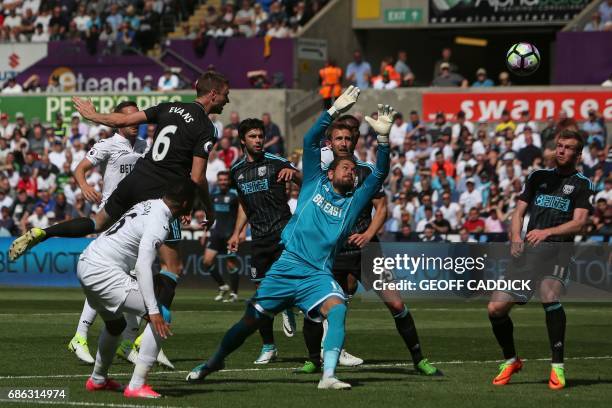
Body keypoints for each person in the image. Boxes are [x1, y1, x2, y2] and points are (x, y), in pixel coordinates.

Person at [186, 86, 390, 390]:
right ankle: (214, 361)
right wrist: (333, 110)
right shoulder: (312, 183)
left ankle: (329, 375)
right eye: (344, 167)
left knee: (338, 309)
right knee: (248, 322)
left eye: (352, 170)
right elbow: (309, 140)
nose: (350, 171)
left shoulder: (355, 202)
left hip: (317, 274)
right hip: (286, 266)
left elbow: (379, 173)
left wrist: (384, 140)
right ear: (330, 173)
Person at [300, 113, 441, 376]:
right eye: (338, 138)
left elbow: (382, 208)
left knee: (397, 305)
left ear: (354, 141)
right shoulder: (323, 174)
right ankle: (311, 361)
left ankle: (419, 359)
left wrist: (367, 234)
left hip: (368, 250)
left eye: (347, 138)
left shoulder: (365, 171)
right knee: (316, 310)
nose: (343, 142)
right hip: (335, 252)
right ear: (330, 142)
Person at [487, 130, 593, 390]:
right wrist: (514, 236)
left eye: (568, 148)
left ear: (578, 154)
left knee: (548, 295)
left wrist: (547, 232)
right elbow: (518, 212)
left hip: (558, 251)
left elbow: (579, 223)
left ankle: (557, 367)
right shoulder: (537, 177)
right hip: (529, 253)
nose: (561, 151)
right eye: (559, 146)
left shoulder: (582, 184)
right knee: (495, 309)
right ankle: (511, 360)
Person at [77, 180, 197, 399]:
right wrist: (153, 310)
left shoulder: (149, 204)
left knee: (116, 326)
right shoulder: (159, 222)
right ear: (186, 203)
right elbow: (142, 267)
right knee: (162, 315)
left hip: (86, 262)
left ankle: (97, 380)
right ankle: (137, 385)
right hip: (103, 272)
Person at [67, 101, 149, 366]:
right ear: (117, 120)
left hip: (137, 221)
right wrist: (83, 186)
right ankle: (80, 336)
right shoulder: (107, 144)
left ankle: (126, 342)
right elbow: (79, 169)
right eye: (129, 118)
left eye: (138, 118)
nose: (135, 122)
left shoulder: (145, 147)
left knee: (138, 279)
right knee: (110, 278)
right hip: (111, 220)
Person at [226, 117, 301, 364]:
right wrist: (237, 233)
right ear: (243, 140)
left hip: (283, 234)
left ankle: (290, 308)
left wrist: (295, 174)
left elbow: (307, 182)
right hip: (258, 238)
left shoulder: (277, 162)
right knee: (261, 295)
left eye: (261, 136)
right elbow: (244, 206)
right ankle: (269, 346)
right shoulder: (236, 171)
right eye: (253, 137)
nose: (258, 140)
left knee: (289, 283)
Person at [202, 171, 240, 303]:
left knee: (230, 264)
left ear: (229, 181)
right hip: (216, 234)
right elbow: (211, 217)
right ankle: (223, 286)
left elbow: (243, 213)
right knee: (206, 262)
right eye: (221, 180)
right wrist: (205, 232)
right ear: (218, 181)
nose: (223, 182)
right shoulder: (214, 196)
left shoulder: (235, 195)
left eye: (225, 180)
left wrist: (239, 233)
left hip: (230, 235)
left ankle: (234, 294)